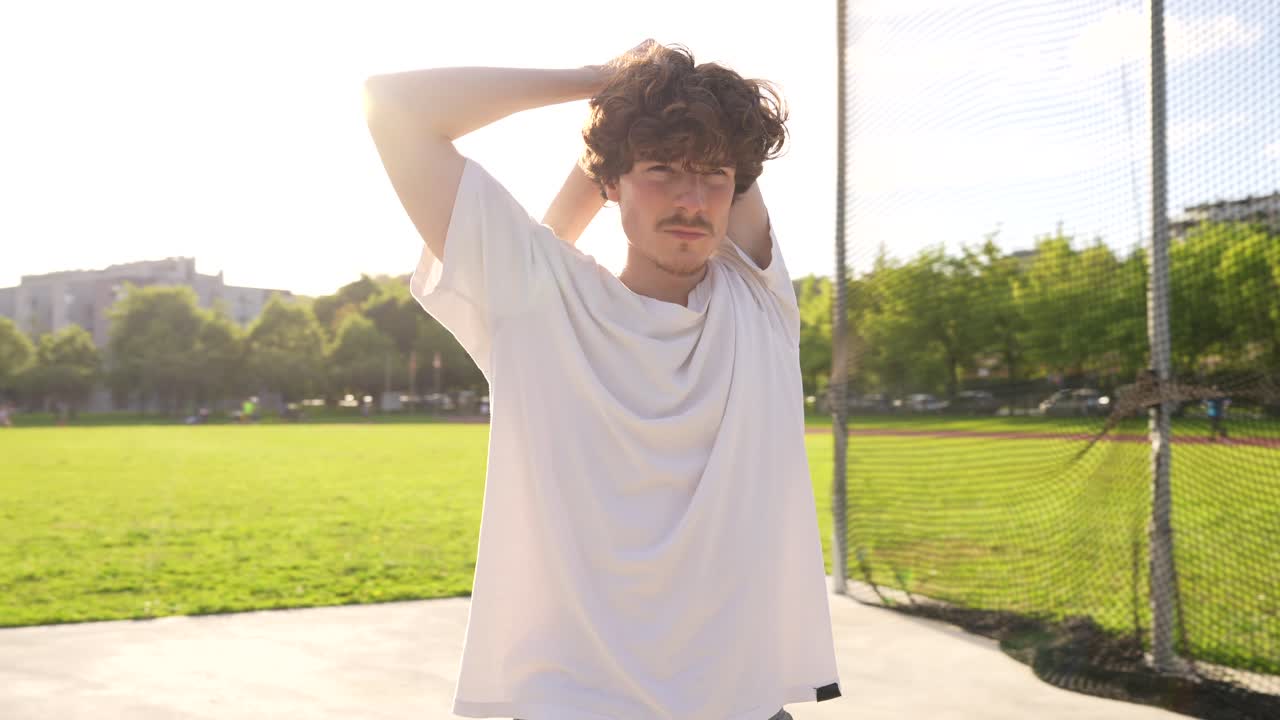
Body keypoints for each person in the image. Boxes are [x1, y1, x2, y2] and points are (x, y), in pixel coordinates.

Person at [364, 41, 840, 720]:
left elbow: (730, 143)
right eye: (660, 169)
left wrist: (647, 116)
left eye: (712, 175)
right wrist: (600, 83)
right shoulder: (535, 298)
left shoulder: (761, 302)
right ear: (608, 183)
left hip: (744, 706)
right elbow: (396, 106)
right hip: (576, 705)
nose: (689, 196)